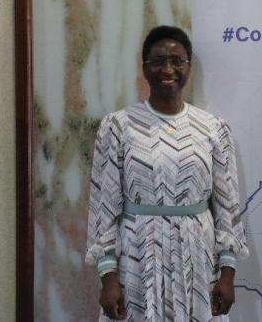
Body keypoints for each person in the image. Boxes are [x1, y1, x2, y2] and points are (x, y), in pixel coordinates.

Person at [85, 25, 249, 321]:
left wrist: (227, 273)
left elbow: (227, 207)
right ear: (145, 68)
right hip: (137, 259)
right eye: (158, 61)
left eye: (177, 61)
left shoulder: (213, 128)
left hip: (197, 258)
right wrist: (108, 278)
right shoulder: (118, 126)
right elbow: (104, 207)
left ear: (188, 67)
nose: (168, 69)